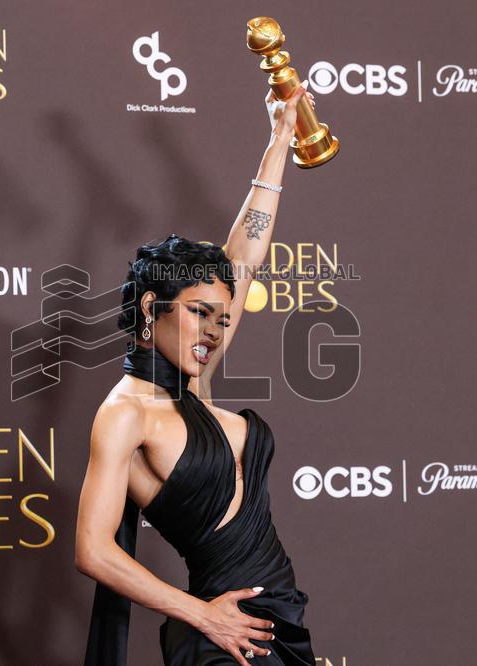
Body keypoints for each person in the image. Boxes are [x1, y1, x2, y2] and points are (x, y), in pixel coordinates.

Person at [75, 80, 317, 666]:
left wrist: (281, 136)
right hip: (221, 639)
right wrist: (202, 614)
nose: (214, 331)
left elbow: (245, 259)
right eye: (199, 314)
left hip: (278, 627)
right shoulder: (125, 413)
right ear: (150, 309)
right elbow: (92, 550)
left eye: (222, 318)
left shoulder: (193, 382)